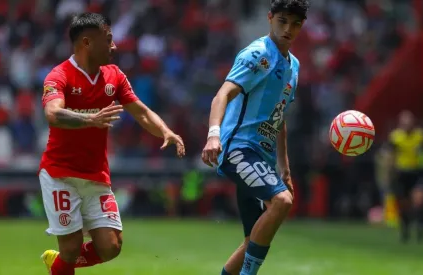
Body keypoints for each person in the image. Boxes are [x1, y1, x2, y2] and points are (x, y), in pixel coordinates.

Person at [39, 13, 185, 275]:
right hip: (60, 174)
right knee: (71, 248)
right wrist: (89, 119)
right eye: (108, 40)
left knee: (111, 246)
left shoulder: (114, 75)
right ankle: (64, 262)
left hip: (96, 175)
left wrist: (165, 131)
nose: (114, 46)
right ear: (87, 42)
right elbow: (52, 113)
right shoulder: (59, 75)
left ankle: (58, 263)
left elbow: (140, 111)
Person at [201, 1, 309, 274]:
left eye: (295, 24)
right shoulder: (259, 54)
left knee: (253, 238)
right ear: (270, 18)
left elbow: (279, 117)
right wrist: (214, 136)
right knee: (282, 202)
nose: (288, 29)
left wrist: (284, 169)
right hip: (239, 150)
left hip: (260, 157)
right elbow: (222, 95)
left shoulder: (293, 66)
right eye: (282, 21)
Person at [388, 110, 423, 243]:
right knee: (404, 205)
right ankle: (405, 230)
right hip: (402, 173)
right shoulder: (395, 136)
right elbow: (391, 155)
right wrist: (390, 173)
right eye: (404, 121)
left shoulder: (421, 135)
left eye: (409, 120)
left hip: (418, 172)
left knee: (419, 201)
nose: (406, 124)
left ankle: (421, 228)